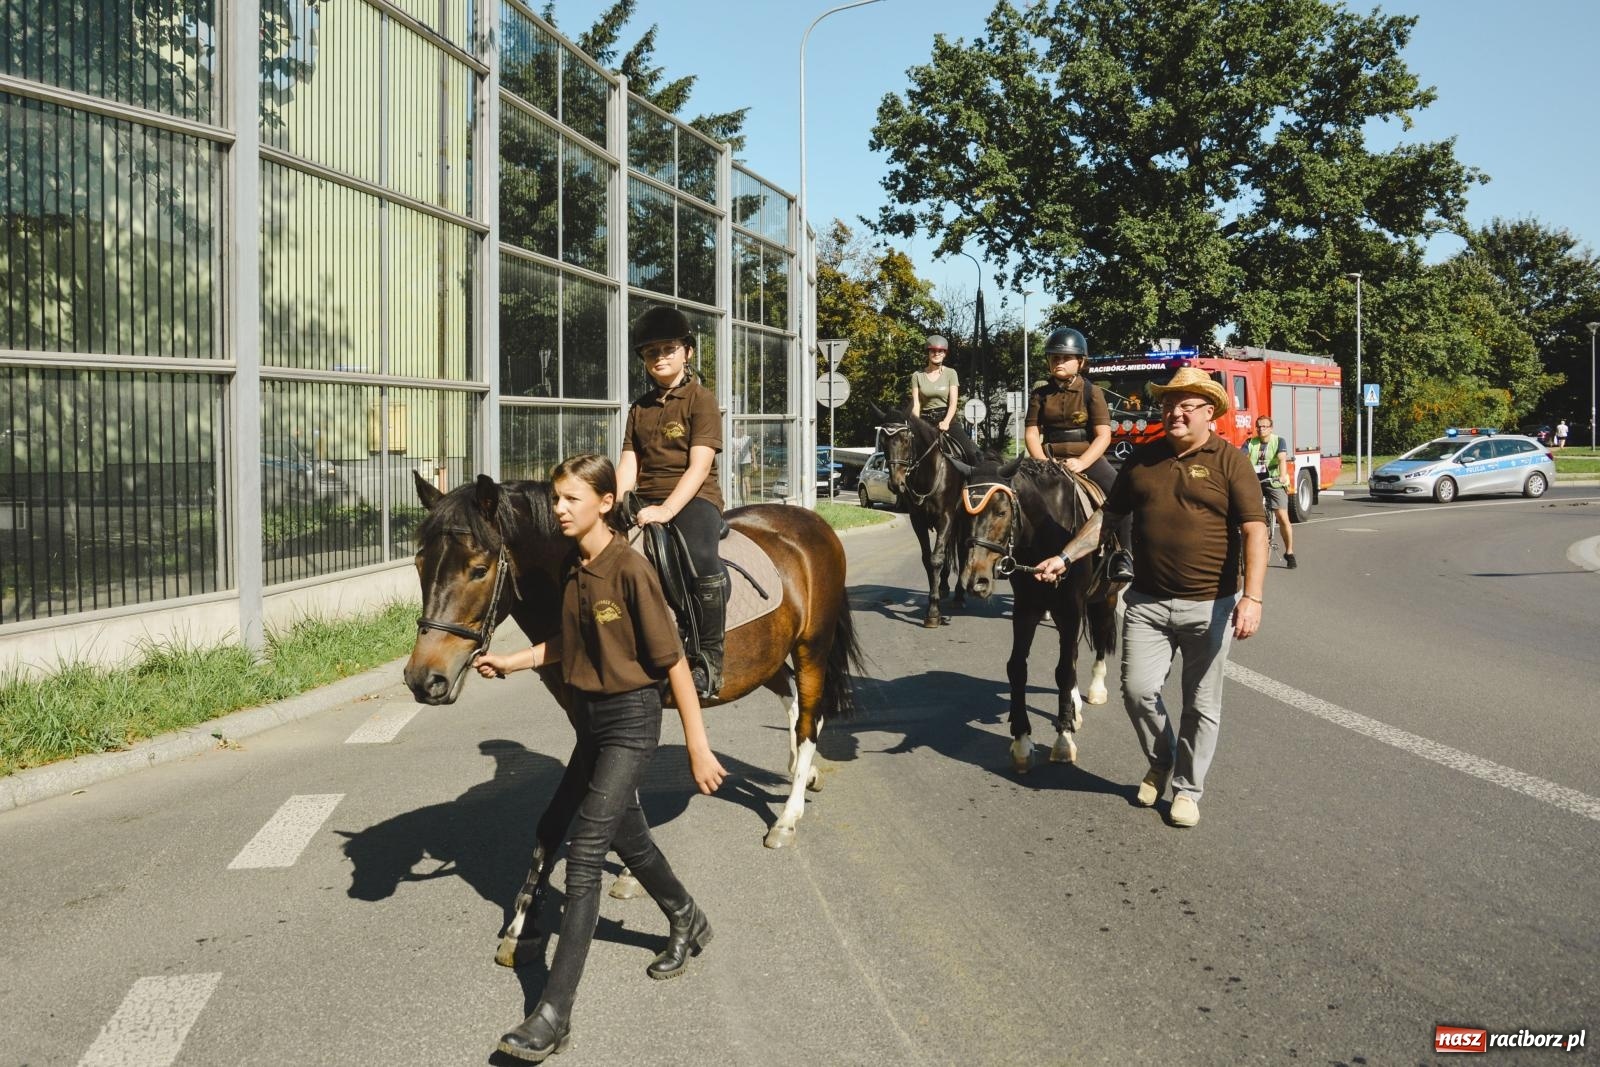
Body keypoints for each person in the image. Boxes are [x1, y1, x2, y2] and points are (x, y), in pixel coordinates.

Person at [473, 453, 728, 1063]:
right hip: (589, 723)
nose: (559, 509)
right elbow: (569, 640)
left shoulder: (630, 569)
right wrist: (512, 661)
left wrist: (697, 746)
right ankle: (687, 917)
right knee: (629, 839)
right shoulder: (574, 568)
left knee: (586, 854)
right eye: (556, 498)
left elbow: (672, 664)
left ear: (606, 503)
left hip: (631, 722)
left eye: (571, 499)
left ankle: (552, 1015)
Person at [1035, 366, 1266, 829]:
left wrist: (1253, 598)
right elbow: (1107, 518)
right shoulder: (1143, 460)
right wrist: (1064, 556)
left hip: (1210, 604)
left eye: (1186, 405)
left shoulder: (1230, 461)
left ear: (1209, 412)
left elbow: (1254, 530)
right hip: (1146, 603)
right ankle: (1162, 760)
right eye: (1168, 404)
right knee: (1137, 692)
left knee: (1201, 705)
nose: (1174, 412)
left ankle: (1187, 790)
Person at [617, 305, 728, 698]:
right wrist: (614, 502)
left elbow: (699, 466)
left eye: (669, 349)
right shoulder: (639, 408)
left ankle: (709, 659)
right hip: (646, 496)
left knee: (700, 557)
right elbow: (629, 463)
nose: (660, 357)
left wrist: (666, 510)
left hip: (695, 497)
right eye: (652, 352)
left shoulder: (701, 400)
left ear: (687, 352)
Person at [1024, 326, 1133, 580]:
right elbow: (1031, 433)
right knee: (1013, 492)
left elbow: (1103, 435)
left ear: (1080, 362)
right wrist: (1044, 463)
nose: (1059, 362)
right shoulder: (1040, 394)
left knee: (1122, 496)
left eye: (1065, 358)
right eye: (1055, 358)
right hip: (1047, 460)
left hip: (1086, 458)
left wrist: (1082, 462)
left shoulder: (1092, 392)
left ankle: (1124, 555)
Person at [910, 333, 979, 467]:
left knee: (971, 453)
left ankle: (977, 478)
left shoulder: (950, 373)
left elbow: (953, 403)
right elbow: (916, 403)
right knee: (907, 453)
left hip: (947, 420)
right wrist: (915, 425)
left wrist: (946, 422)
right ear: (928, 353)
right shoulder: (917, 376)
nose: (936, 353)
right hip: (925, 422)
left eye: (940, 351)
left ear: (944, 354)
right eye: (933, 350)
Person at [1244, 415, 1296, 569]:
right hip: (1255, 482)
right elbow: (1241, 457)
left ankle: (1289, 552)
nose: (1261, 429)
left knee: (1282, 516)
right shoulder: (1250, 442)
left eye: (1264, 426)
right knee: (1249, 516)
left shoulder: (1279, 441)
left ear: (1271, 428)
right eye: (1258, 426)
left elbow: (1281, 459)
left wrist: (1282, 476)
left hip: (1274, 481)